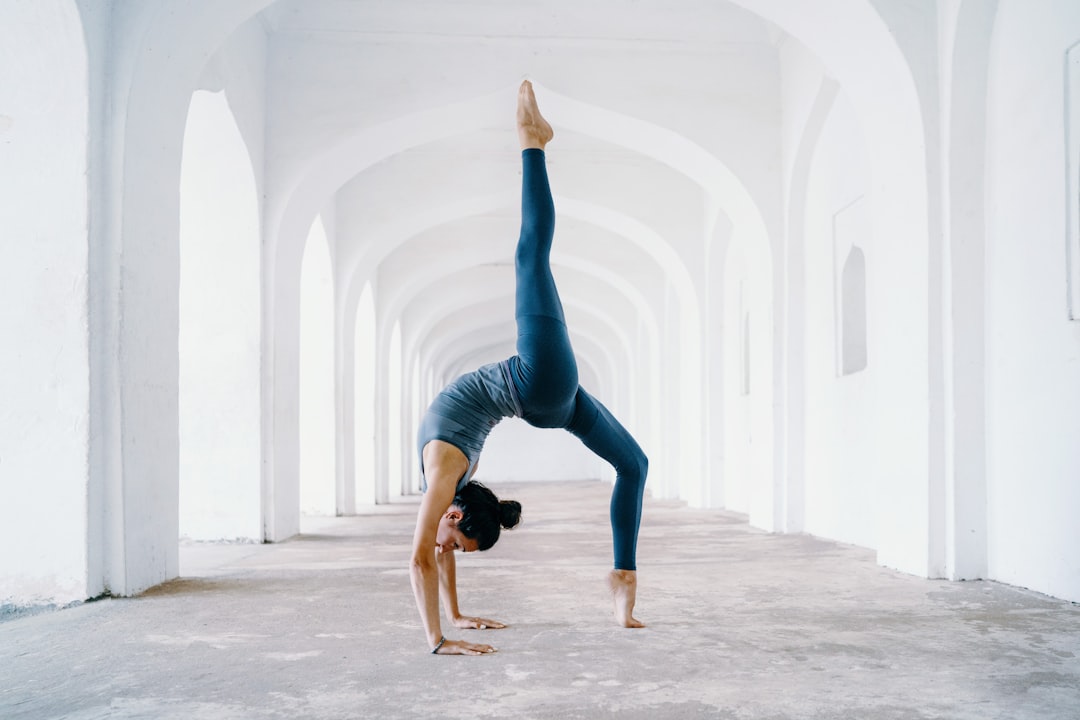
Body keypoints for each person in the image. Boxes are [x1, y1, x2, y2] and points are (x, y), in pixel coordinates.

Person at [409, 80, 649, 656]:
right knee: (530, 258)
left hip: (542, 388)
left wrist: (442, 636)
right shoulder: (450, 491)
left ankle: (623, 581)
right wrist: (454, 620)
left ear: (455, 512)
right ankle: (531, 143)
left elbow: (420, 556)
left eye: (456, 544)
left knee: (634, 464)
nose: (448, 550)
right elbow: (437, 550)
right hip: (541, 387)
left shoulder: (444, 476)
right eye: (460, 546)